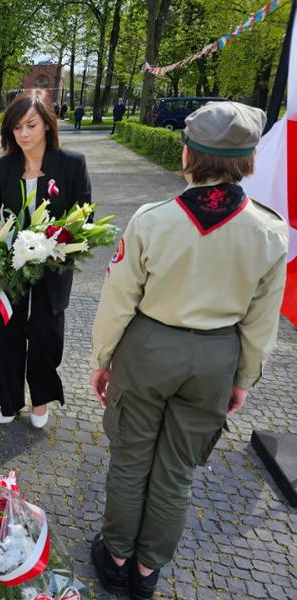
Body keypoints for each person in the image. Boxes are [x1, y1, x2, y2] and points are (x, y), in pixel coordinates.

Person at [89, 102, 287, 600]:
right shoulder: (270, 231)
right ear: (250, 161)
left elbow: (118, 300)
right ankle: (148, 570)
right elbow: (262, 321)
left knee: (132, 457)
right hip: (216, 355)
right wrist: (244, 377)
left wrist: (102, 359)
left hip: (149, 348)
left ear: (186, 154)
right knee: (177, 468)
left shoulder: (153, 221)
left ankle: (115, 556)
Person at [0, 91, 91, 428]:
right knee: (9, 333)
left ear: (47, 124)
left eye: (31, 125)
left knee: (45, 334)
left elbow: (84, 218)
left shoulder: (71, 164)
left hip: (53, 266)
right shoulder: (2, 167)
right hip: (12, 267)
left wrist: (58, 244)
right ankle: (9, 400)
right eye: (16, 128)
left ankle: (40, 399)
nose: (23, 134)